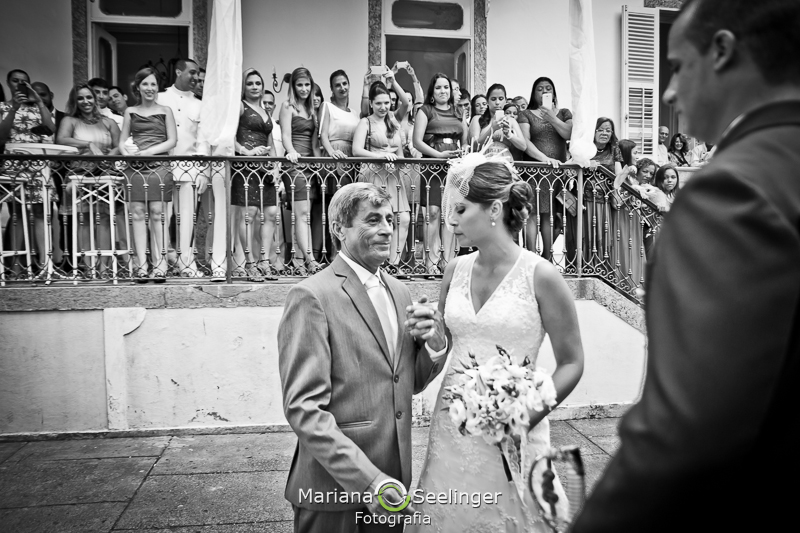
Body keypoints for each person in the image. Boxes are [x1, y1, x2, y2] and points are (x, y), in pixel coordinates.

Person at [572, 0, 800, 531]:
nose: (668, 91)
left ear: (721, 50)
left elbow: (685, 430)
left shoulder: (731, 191)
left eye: (677, 65)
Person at [408, 157, 584, 532]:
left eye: (460, 209)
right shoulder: (454, 270)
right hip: (452, 422)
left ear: (494, 209)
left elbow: (572, 362)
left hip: (518, 423)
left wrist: (525, 415)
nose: (450, 220)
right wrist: (430, 335)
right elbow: (446, 344)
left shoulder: (541, 276)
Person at [278, 182, 448, 533]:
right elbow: (304, 410)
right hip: (332, 490)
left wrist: (434, 340)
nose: (387, 228)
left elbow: (407, 382)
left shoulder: (400, 291)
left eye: (390, 218)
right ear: (340, 229)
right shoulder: (311, 296)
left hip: (395, 485)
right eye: (373, 220)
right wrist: (369, 482)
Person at [119, 67, 177, 283]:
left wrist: (149, 151)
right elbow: (122, 141)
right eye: (145, 84)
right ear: (138, 87)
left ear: (157, 87)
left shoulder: (166, 111)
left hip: (159, 165)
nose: (150, 88)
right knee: (136, 213)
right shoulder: (129, 112)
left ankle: (160, 266)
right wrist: (127, 152)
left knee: (157, 213)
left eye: (153, 84)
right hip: (135, 167)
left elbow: (172, 140)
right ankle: (141, 266)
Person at [56, 83, 121, 276]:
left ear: (95, 99)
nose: (85, 102)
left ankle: (104, 268)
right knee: (84, 221)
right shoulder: (70, 120)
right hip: (80, 174)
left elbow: (119, 146)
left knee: (105, 220)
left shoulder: (109, 122)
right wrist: (89, 144)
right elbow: (61, 140)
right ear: (75, 101)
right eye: (80, 98)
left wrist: (108, 157)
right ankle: (89, 268)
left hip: (105, 173)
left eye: (89, 97)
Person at [1, 69, 58, 274]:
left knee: (41, 213)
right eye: (15, 81)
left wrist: (40, 103)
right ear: (8, 83)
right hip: (14, 165)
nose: (19, 84)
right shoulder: (3, 107)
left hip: (38, 166)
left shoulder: (37, 108)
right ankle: (15, 266)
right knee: (17, 214)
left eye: (24, 81)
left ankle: (45, 265)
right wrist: (14, 108)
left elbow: (50, 128)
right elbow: (1, 136)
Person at [157, 58, 210, 278]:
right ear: (179, 71)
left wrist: (203, 171)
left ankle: (187, 263)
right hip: (161, 168)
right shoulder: (160, 98)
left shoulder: (199, 104)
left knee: (187, 218)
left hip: (189, 169)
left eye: (198, 74)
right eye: (192, 72)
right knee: (160, 216)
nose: (196, 77)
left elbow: (203, 140)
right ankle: (160, 262)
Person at [413, 73, 468, 273]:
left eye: (446, 87)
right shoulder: (425, 110)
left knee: (450, 213)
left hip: (454, 166)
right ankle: (431, 262)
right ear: (432, 92)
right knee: (433, 212)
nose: (443, 91)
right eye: (438, 88)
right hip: (433, 166)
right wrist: (438, 155)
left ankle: (448, 262)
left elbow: (465, 139)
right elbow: (417, 142)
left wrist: (463, 152)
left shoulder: (458, 111)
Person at [353, 81, 411, 270]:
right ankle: (376, 263)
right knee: (377, 220)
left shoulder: (393, 122)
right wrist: (379, 156)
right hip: (373, 175)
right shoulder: (365, 122)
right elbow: (356, 150)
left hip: (394, 177)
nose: (383, 107)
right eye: (378, 103)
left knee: (403, 219)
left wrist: (394, 81)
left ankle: (392, 264)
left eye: (386, 103)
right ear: (371, 103)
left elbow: (406, 102)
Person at [518, 77, 575, 262]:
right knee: (533, 213)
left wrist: (552, 117)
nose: (544, 91)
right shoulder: (526, 114)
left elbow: (568, 134)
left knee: (553, 215)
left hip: (558, 173)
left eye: (548, 88)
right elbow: (524, 142)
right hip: (536, 170)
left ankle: (547, 256)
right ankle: (531, 256)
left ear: (554, 93)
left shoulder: (564, 113)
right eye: (539, 88)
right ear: (534, 93)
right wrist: (545, 159)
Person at [233, 68, 278, 282]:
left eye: (258, 83)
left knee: (270, 214)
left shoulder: (265, 111)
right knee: (248, 214)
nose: (254, 87)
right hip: (245, 167)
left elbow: (270, 142)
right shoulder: (239, 107)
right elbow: (229, 136)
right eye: (249, 83)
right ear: (244, 86)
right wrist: (246, 152)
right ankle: (249, 263)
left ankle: (264, 261)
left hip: (266, 169)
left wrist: (276, 167)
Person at [280, 67, 323, 274]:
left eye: (307, 84)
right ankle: (310, 259)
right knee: (302, 214)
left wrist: (318, 163)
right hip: (294, 164)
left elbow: (315, 142)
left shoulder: (312, 110)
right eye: (300, 85)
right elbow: (286, 135)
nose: (304, 89)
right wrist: (291, 152)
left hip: (309, 166)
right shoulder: (288, 106)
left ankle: (299, 261)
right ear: (293, 87)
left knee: (304, 215)